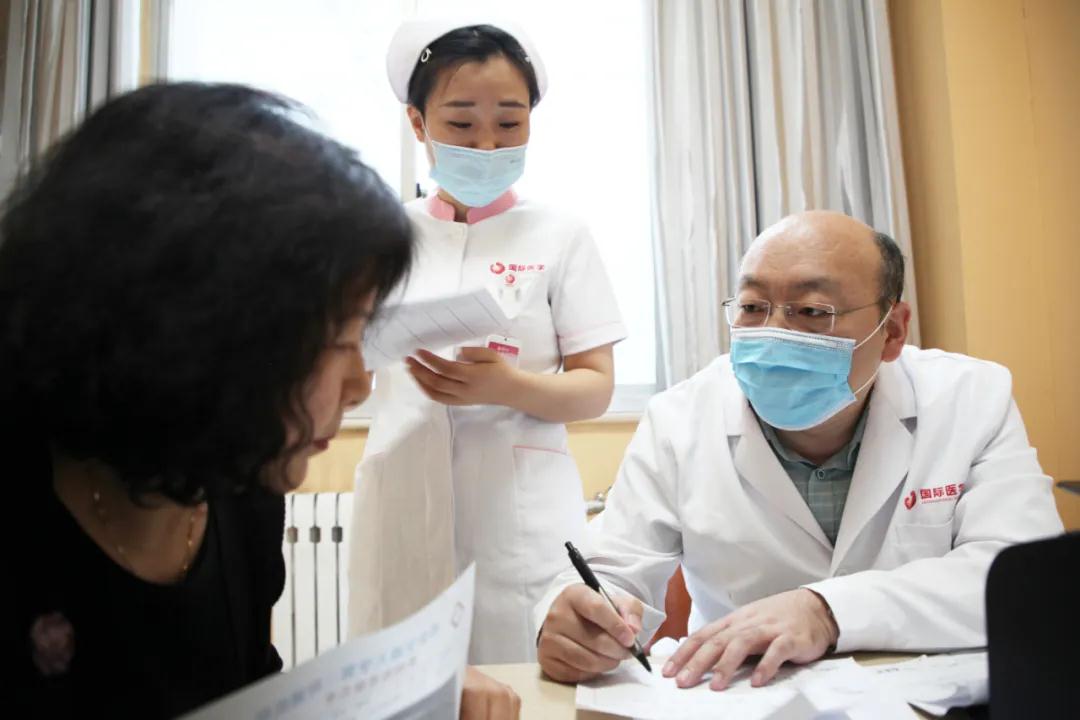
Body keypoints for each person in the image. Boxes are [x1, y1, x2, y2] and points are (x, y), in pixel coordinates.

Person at [5, 82, 517, 719]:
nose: (360, 386)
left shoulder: (240, 482)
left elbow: (247, 695)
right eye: (338, 342)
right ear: (193, 331)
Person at [535, 210, 1064, 690]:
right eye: (752, 307)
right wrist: (574, 620)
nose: (773, 335)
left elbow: (1024, 580)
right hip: (741, 698)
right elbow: (611, 571)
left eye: (812, 310)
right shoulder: (679, 419)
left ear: (893, 331)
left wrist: (828, 610)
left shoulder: (971, 399)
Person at [349, 18, 626, 664]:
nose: (486, 143)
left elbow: (596, 387)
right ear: (417, 123)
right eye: (460, 123)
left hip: (519, 513)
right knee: (405, 681)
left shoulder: (560, 234)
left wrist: (509, 387)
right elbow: (348, 373)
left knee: (523, 680)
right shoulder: (381, 237)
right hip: (403, 496)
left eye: (508, 122)